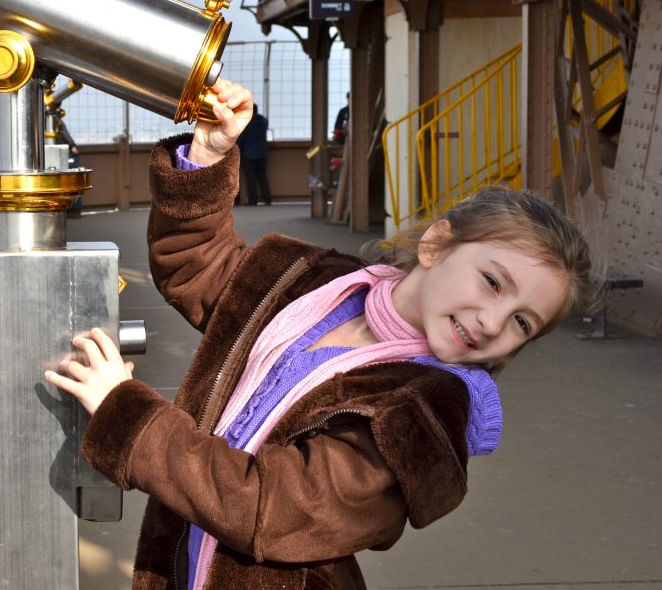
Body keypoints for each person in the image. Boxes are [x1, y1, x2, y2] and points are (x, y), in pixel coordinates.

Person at [45, 79, 599, 590]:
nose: (493, 322)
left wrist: (130, 416)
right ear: (435, 245)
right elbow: (197, 266)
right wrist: (209, 157)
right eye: (492, 282)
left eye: (523, 323)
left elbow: (272, 506)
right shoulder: (313, 281)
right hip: (183, 562)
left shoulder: (422, 416)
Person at [236, 103, 271, 204]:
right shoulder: (263, 121)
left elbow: (241, 139)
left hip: (249, 154)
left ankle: (253, 200)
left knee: (251, 178)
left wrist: (238, 151)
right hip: (262, 153)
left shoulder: (246, 123)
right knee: (262, 177)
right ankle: (267, 200)